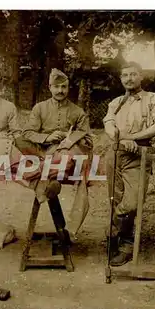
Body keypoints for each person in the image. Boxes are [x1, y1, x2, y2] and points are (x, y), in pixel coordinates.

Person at [103, 61, 155, 266]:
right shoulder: (116, 102)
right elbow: (108, 125)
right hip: (115, 153)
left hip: (139, 154)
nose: (129, 79)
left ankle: (120, 239)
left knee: (131, 204)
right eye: (125, 75)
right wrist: (122, 140)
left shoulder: (153, 99)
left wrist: (135, 138)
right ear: (121, 79)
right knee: (116, 199)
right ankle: (120, 240)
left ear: (141, 76)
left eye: (133, 74)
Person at [15, 68, 93, 237]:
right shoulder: (40, 108)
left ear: (68, 88)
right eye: (56, 87)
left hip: (66, 151)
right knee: (18, 141)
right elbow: (28, 133)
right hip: (43, 151)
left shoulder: (77, 111)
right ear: (50, 87)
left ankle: (34, 179)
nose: (60, 91)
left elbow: (87, 138)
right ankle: (46, 182)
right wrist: (47, 137)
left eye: (64, 87)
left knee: (68, 157)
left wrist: (69, 138)